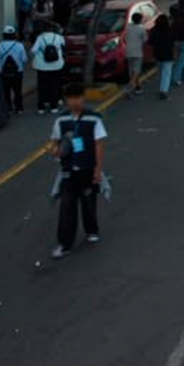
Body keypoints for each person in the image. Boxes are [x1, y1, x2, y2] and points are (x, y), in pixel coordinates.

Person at [49, 82, 107, 260]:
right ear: (66, 100)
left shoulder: (94, 119)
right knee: (67, 205)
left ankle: (91, 230)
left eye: (78, 98)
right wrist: (56, 150)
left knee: (88, 201)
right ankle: (64, 244)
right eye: (71, 98)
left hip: (88, 168)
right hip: (68, 170)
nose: (75, 102)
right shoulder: (61, 121)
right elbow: (54, 142)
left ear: (84, 98)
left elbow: (99, 144)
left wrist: (98, 169)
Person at [31, 22, 67, 114]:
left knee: (42, 86)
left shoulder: (40, 38)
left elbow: (33, 50)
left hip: (41, 66)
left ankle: (41, 107)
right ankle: (53, 106)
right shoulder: (58, 37)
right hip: (56, 65)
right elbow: (64, 46)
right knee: (54, 86)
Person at [0, 26, 27, 114]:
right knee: (17, 90)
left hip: (3, 72)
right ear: (14, 35)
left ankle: (8, 107)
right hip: (18, 71)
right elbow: (24, 59)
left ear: (4, 35)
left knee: (6, 91)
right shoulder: (19, 45)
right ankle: (19, 108)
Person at [150, 13, 176, 100]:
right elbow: (174, 41)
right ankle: (164, 90)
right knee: (166, 73)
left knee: (160, 71)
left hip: (158, 54)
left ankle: (162, 87)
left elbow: (150, 42)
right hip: (168, 53)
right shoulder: (170, 30)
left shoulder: (154, 31)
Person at [123, 12, 148, 97]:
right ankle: (129, 88)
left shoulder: (128, 27)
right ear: (140, 20)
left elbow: (124, 38)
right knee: (136, 71)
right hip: (137, 52)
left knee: (131, 71)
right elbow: (145, 40)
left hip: (128, 51)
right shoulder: (141, 28)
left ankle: (138, 87)